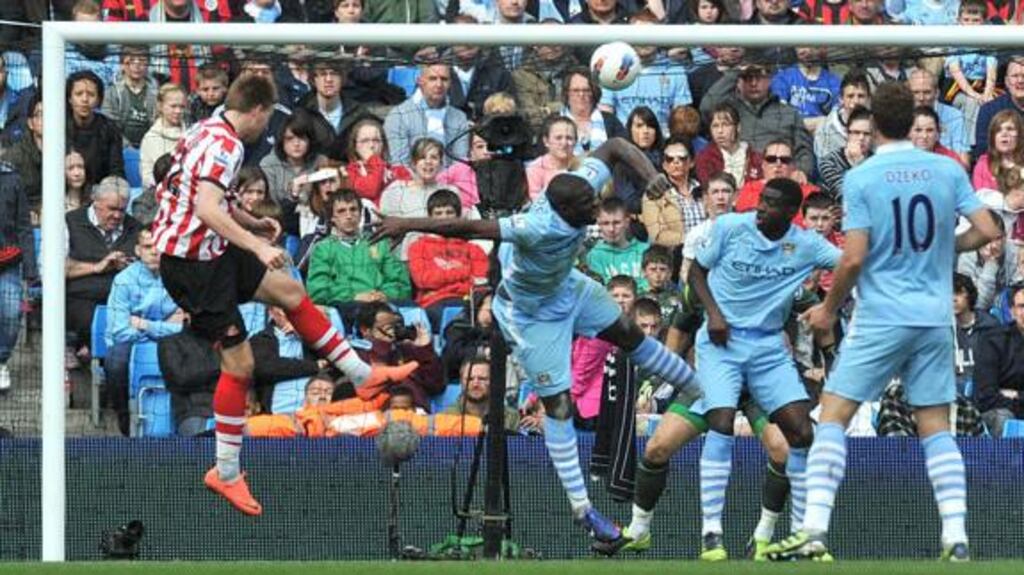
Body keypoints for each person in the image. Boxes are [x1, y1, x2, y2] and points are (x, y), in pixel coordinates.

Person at [372, 136, 702, 547]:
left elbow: (616, 146)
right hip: (530, 317)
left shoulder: (575, 188)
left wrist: (650, 176)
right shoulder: (537, 226)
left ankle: (700, 393)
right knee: (558, 405)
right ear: (566, 211)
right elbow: (466, 226)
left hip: (566, 287)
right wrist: (406, 224)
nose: (595, 211)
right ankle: (585, 512)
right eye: (588, 210)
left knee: (628, 332)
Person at [151, 74, 416, 517]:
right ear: (256, 111)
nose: (268, 131)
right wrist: (256, 245)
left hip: (212, 251)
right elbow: (205, 208)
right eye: (267, 121)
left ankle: (362, 373)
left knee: (291, 290)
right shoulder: (227, 144)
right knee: (241, 365)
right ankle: (226, 471)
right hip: (194, 267)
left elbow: (207, 196)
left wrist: (251, 224)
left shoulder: (207, 128)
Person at [766, 82, 1002, 562]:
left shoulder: (864, 177)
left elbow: (851, 259)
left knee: (833, 413)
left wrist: (829, 310)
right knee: (936, 425)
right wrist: (945, 248)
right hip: (935, 318)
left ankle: (813, 530)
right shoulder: (947, 169)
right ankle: (956, 537)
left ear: (872, 124)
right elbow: (989, 229)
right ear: (917, 117)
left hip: (881, 315)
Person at [678, 178, 840, 561]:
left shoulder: (805, 244)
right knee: (720, 421)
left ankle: (803, 536)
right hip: (722, 342)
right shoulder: (731, 227)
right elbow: (696, 273)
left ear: (790, 213)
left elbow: (852, 263)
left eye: (770, 204)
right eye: (761, 201)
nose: (761, 208)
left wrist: (830, 304)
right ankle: (711, 534)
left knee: (801, 432)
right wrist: (714, 315)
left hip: (768, 347)